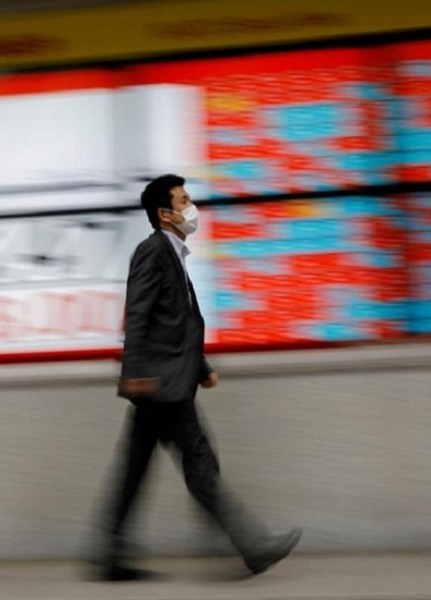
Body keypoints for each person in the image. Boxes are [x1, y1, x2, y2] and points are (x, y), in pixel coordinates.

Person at [96, 174, 301, 581]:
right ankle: (251, 546)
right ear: (164, 213)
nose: (192, 208)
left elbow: (176, 321)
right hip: (160, 385)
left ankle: (109, 555)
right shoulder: (152, 252)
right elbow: (138, 315)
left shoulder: (172, 252)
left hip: (167, 380)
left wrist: (201, 367)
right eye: (184, 200)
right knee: (200, 464)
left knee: (136, 468)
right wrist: (135, 374)